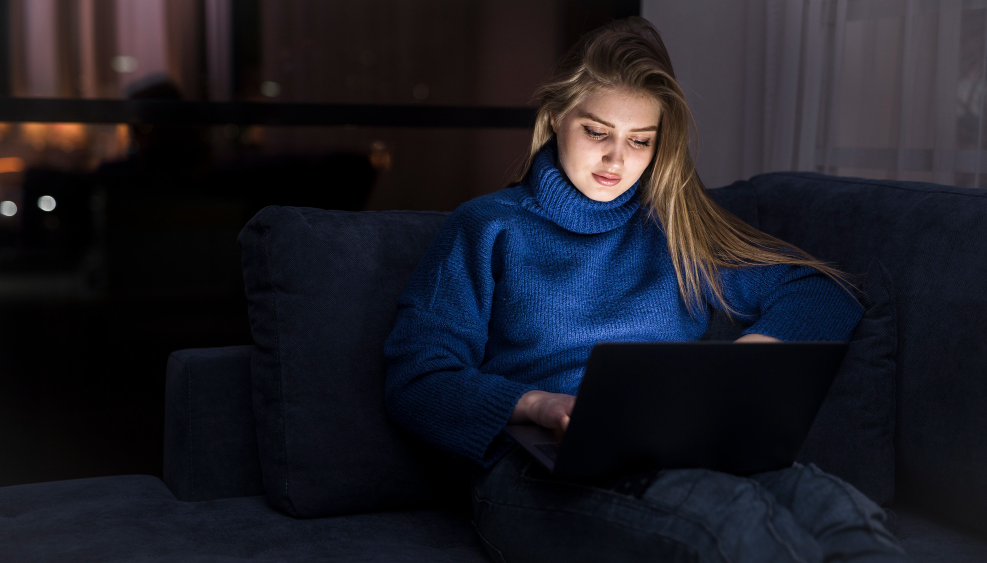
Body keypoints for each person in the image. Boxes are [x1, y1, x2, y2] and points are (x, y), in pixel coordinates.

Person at [383, 16, 907, 563]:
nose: (617, 160)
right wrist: (537, 404)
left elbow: (825, 291)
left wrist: (742, 366)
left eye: (639, 141)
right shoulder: (487, 227)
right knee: (732, 520)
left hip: (676, 449)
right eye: (597, 132)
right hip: (532, 474)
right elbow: (416, 377)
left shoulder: (674, 230)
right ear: (557, 117)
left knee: (831, 505)